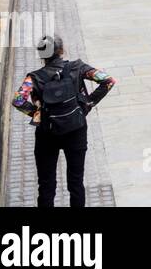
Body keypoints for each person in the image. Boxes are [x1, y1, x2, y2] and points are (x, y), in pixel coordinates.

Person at [11, 35, 116, 207]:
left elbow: (18, 100)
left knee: (46, 185)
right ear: (61, 51)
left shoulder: (34, 78)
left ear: (41, 55)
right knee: (76, 183)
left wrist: (37, 114)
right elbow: (108, 81)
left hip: (47, 134)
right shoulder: (78, 67)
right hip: (76, 131)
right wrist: (87, 105)